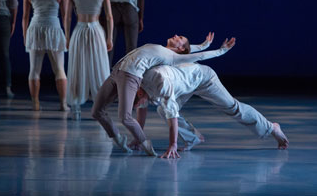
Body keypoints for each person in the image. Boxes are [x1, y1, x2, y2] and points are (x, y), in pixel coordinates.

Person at [92, 33, 235, 156]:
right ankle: (118, 137)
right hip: (116, 70)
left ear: (180, 48)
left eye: (180, 38)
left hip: (130, 75)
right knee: (96, 112)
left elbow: (198, 55)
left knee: (125, 116)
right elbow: (191, 49)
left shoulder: (172, 57)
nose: (176, 35)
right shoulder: (162, 49)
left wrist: (221, 51)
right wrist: (204, 44)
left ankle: (145, 144)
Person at [133, 62, 290, 159]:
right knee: (162, 109)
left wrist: (172, 145)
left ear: (140, 93)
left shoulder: (160, 82)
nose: (140, 105)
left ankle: (272, 127)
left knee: (233, 108)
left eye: (139, 102)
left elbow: (172, 114)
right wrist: (138, 137)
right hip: (184, 84)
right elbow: (141, 109)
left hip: (204, 78)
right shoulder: (138, 87)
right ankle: (192, 137)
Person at [65, 0, 114, 120]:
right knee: (98, 66)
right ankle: (100, 107)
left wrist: (67, 37)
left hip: (80, 31)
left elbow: (67, 17)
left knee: (78, 66)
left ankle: (77, 106)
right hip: (96, 31)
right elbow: (108, 17)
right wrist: (109, 37)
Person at [22, 0, 68, 111]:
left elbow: (25, 18)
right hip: (54, 29)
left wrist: (25, 36)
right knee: (59, 69)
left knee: (34, 70)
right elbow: (65, 16)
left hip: (35, 29)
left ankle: (35, 103)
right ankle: (63, 103)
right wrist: (67, 36)